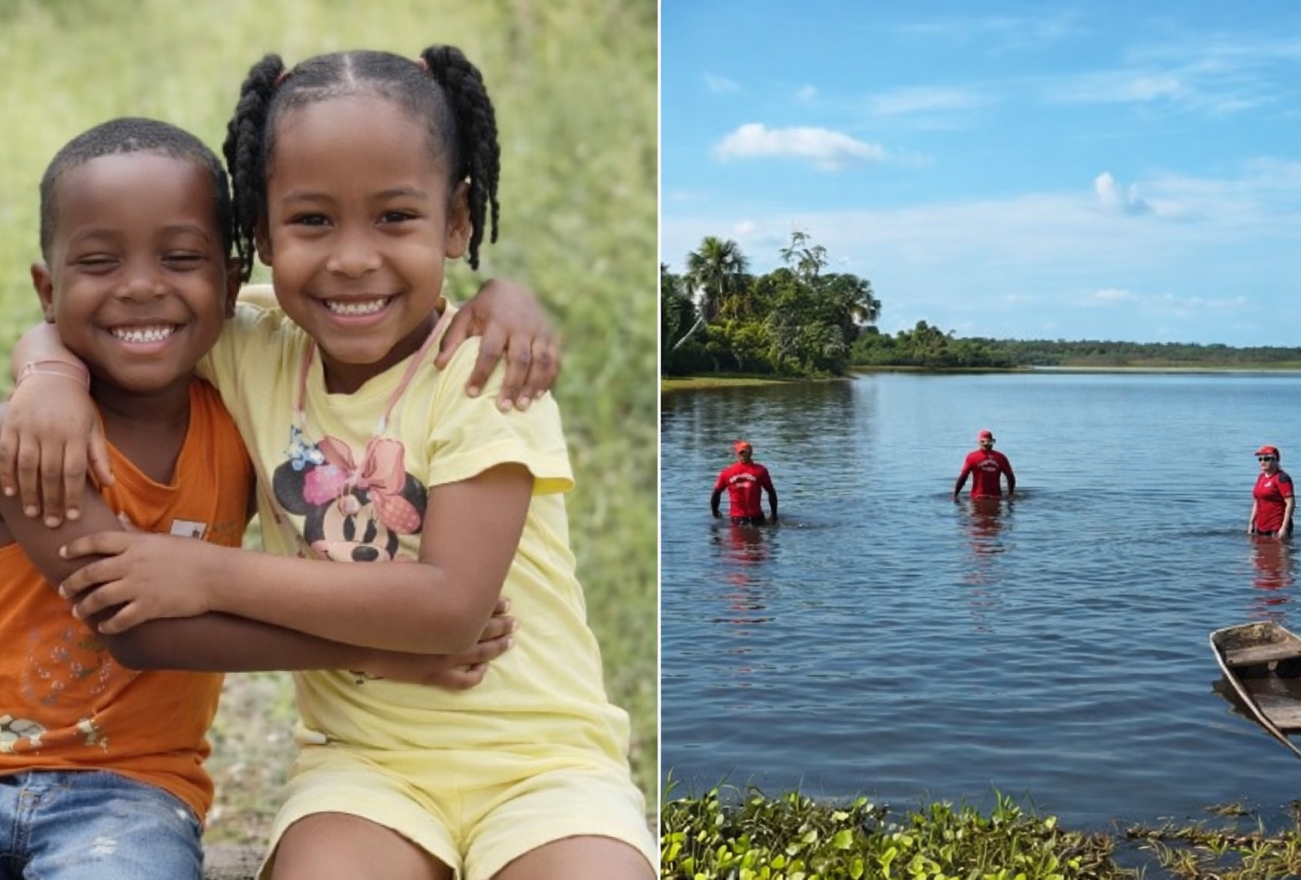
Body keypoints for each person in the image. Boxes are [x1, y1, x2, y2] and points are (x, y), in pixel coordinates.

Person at [4, 48, 654, 880]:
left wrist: (206, 573)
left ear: (456, 223)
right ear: (260, 236)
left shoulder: (486, 373)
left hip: (547, 769)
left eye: (394, 218)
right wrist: (47, 369)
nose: (351, 259)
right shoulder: (256, 352)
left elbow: (452, 609)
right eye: (312, 221)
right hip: (362, 770)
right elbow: (119, 311)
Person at [711, 440, 778, 525]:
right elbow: (716, 493)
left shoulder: (760, 471)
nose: (744, 455)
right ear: (737, 453)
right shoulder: (727, 472)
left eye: (746, 452)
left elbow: (771, 491)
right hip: (737, 518)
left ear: (751, 453)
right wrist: (715, 512)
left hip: (757, 517)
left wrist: (774, 515)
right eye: (741, 452)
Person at [953, 429, 1016, 501]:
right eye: (983, 442)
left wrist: (955, 495)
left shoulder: (972, 456)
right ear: (979, 442)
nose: (986, 444)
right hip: (992, 498)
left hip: (979, 498)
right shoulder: (1000, 457)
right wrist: (1010, 495)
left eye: (988, 442)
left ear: (992, 442)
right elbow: (1010, 477)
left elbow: (963, 477)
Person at [1249, 445, 1294, 539]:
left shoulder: (1282, 478)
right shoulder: (1261, 477)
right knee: (1259, 552)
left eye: (1266, 459)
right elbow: (1257, 501)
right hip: (1261, 525)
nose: (1262, 462)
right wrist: (1251, 522)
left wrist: (1284, 527)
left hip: (1276, 526)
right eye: (1260, 459)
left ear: (1276, 460)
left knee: (1278, 552)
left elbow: (1290, 503)